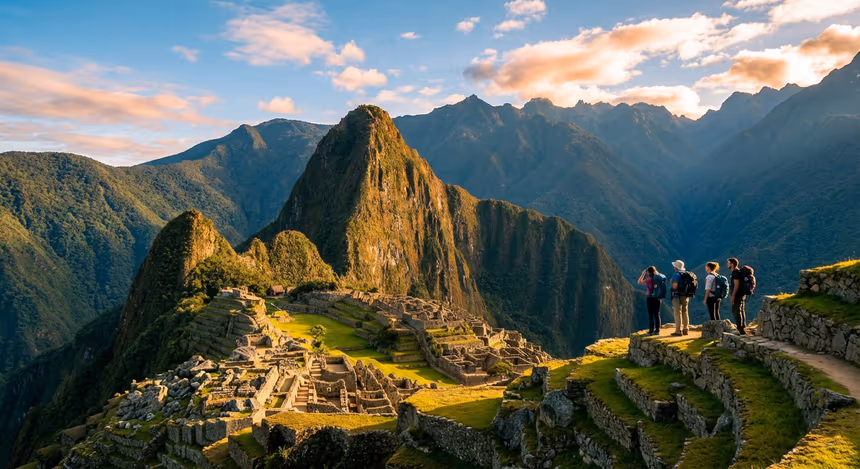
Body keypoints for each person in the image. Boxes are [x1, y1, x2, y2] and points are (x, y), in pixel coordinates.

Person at [638, 266, 665, 335]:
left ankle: (651, 330)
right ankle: (657, 330)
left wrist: (643, 274)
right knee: (657, 314)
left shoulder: (648, 280)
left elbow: (639, 282)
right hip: (657, 297)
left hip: (650, 298)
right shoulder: (658, 278)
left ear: (648, 272)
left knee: (651, 314)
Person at [670, 260, 691, 336]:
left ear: (676, 267)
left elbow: (675, 286)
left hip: (677, 295)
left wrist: (672, 283)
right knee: (685, 312)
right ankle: (686, 329)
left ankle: (678, 331)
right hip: (686, 295)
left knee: (677, 312)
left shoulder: (676, 274)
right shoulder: (686, 273)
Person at [728, 257, 746, 335]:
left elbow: (736, 285)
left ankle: (740, 328)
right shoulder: (738, 271)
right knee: (741, 309)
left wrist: (733, 295)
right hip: (742, 294)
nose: (727, 264)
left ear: (732, 264)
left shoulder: (735, 272)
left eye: (728, 263)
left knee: (735, 311)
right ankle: (743, 326)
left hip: (737, 294)